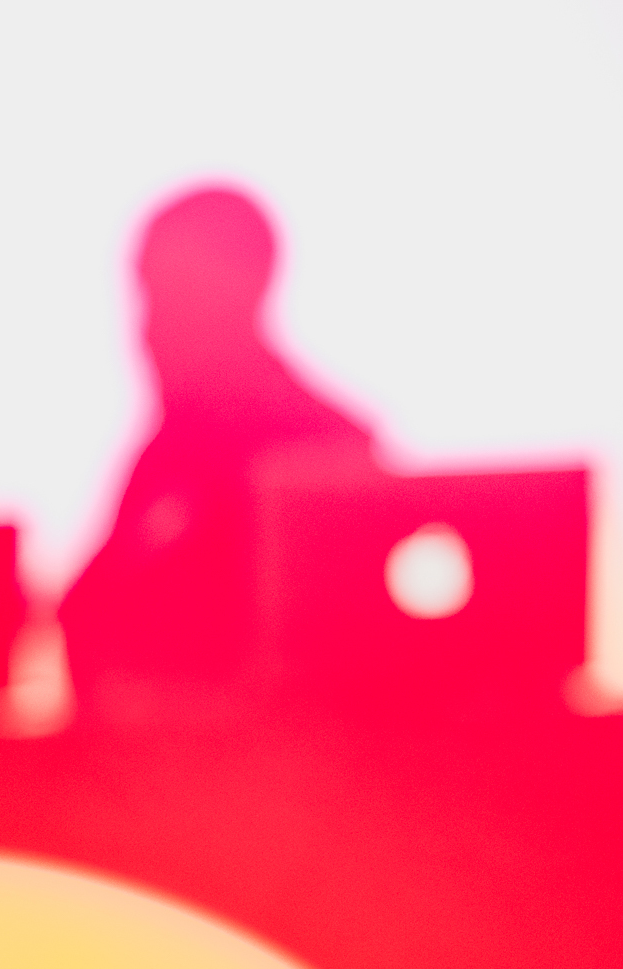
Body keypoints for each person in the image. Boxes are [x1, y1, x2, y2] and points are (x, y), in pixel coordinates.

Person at [59, 186, 383, 727]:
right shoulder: (165, 455)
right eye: (147, 298)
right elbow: (88, 610)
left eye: (173, 297)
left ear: (245, 293)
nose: (148, 328)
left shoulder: (329, 457)